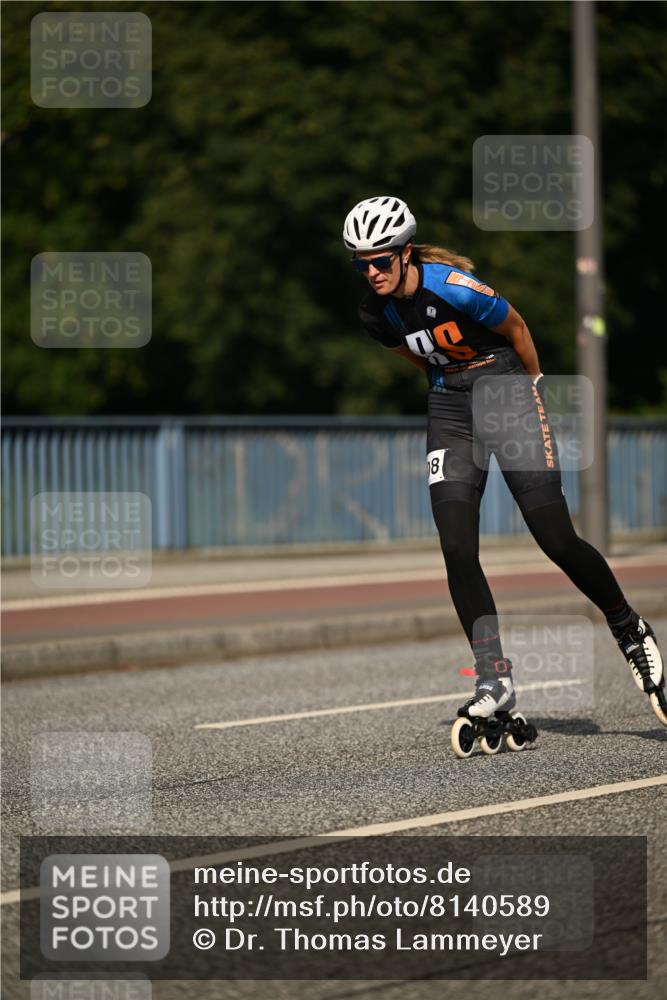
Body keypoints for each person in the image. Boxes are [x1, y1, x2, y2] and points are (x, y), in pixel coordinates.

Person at [344, 195, 666, 734]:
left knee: (555, 537)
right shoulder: (374, 312)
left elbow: (517, 328)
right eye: (361, 263)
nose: (371, 271)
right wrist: (446, 377)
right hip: (449, 405)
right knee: (455, 545)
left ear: (405, 253)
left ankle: (629, 628)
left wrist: (533, 389)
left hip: (507, 388)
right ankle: (494, 676)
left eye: (380, 259)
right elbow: (412, 352)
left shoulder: (452, 286)